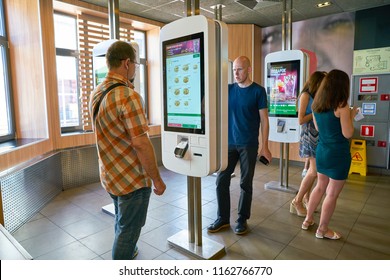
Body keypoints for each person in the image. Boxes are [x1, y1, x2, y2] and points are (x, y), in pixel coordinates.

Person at [89, 41, 166, 259]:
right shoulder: (128, 96)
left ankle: (129, 251)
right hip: (131, 180)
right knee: (128, 231)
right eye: (134, 64)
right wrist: (157, 180)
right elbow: (141, 143)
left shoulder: (96, 92)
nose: (135, 68)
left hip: (110, 175)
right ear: (126, 63)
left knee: (122, 221)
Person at [207, 56, 272, 235]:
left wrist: (264, 146)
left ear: (249, 70)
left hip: (248, 144)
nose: (236, 73)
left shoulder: (258, 91)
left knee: (245, 183)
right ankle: (222, 218)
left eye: (240, 69)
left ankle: (242, 219)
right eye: (234, 69)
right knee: (221, 180)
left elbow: (264, 120)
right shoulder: (227, 90)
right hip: (229, 143)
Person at [301, 69, 357, 240]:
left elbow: (318, 128)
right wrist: (352, 115)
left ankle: (308, 220)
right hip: (338, 154)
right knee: (331, 193)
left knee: (319, 187)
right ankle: (322, 229)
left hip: (322, 151)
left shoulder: (316, 105)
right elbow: (348, 133)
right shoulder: (342, 106)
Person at [290, 71, 327, 217]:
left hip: (317, 136)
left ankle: (306, 199)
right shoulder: (305, 96)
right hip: (308, 136)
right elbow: (300, 120)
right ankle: (297, 201)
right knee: (314, 171)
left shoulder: (318, 96)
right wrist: (316, 112)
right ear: (316, 82)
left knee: (314, 171)